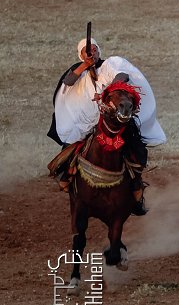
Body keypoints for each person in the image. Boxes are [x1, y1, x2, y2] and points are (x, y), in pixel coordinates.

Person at [48, 37, 166, 215]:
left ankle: (135, 183)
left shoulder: (110, 64)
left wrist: (107, 92)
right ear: (80, 54)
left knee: (133, 142)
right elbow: (68, 82)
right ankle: (67, 174)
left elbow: (122, 75)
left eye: (94, 50)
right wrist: (84, 66)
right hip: (87, 117)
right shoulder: (78, 71)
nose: (91, 53)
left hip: (112, 116)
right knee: (73, 142)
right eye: (86, 51)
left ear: (99, 51)